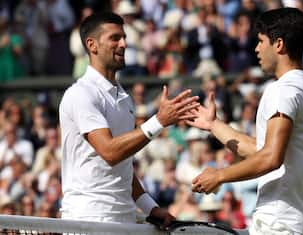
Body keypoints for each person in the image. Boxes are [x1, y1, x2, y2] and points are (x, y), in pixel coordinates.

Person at [186, 8, 303, 235]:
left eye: (261, 41)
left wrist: (219, 176)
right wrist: (214, 125)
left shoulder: (283, 91)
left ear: (278, 44)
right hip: (296, 221)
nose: (256, 48)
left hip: (278, 224)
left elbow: (270, 158)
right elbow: (262, 150)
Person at [58, 12, 199, 227]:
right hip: (88, 218)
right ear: (92, 45)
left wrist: (151, 207)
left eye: (124, 37)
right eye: (115, 38)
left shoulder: (124, 98)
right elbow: (110, 152)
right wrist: (159, 121)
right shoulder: (80, 94)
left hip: (123, 219)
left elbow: (123, 167)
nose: (124, 44)